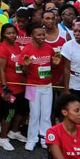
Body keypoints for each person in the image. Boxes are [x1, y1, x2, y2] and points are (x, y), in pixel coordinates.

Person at [21, 22, 62, 151]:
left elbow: (52, 66)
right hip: (33, 86)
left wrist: (55, 64)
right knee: (34, 113)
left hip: (47, 85)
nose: (42, 37)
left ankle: (45, 139)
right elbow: (24, 72)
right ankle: (32, 139)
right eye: (39, 35)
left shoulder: (49, 48)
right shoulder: (27, 49)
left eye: (43, 34)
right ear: (32, 36)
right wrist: (27, 65)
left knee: (46, 113)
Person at [0, 23, 28, 151]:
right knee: (9, 112)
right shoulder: (2, 49)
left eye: (14, 33)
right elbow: (1, 70)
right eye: (9, 33)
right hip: (9, 87)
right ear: (3, 34)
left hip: (20, 85)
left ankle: (14, 131)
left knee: (23, 109)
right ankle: (3, 138)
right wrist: (5, 89)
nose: (12, 35)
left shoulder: (17, 46)